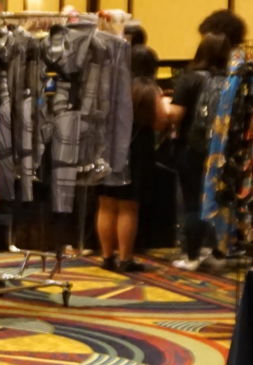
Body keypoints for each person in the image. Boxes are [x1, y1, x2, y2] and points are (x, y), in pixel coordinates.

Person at [97, 45, 167, 272]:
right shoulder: (148, 90)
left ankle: (107, 257)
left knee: (106, 205)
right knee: (128, 208)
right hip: (136, 152)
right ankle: (125, 258)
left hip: (108, 150)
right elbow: (160, 121)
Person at [170, 30, 230, 268]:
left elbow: (176, 114)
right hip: (222, 148)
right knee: (218, 199)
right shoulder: (230, 80)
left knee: (192, 200)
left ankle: (191, 255)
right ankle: (215, 250)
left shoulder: (190, 79)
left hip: (191, 145)